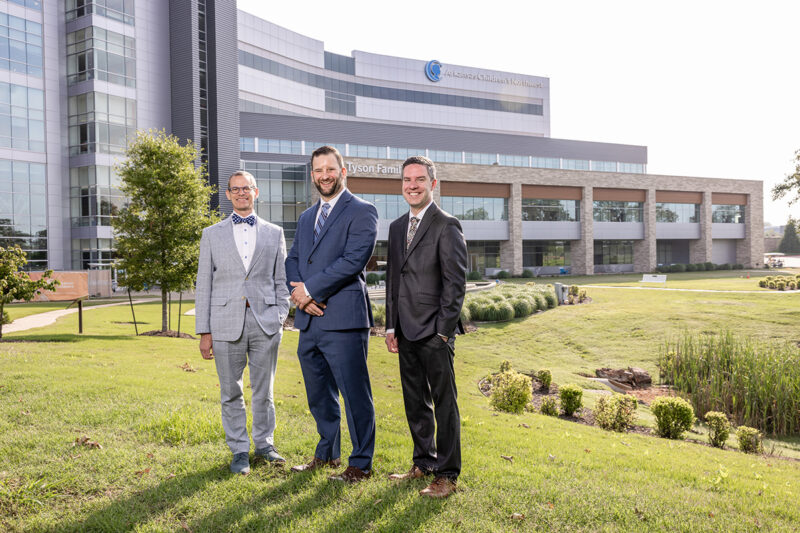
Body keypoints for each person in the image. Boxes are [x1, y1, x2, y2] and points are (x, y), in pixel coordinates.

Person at [285, 145, 378, 483]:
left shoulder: (363, 211)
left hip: (344, 318)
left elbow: (353, 261)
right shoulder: (308, 216)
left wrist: (309, 290)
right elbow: (293, 258)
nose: (324, 175)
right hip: (309, 320)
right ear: (312, 175)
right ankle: (327, 453)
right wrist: (300, 294)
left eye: (330, 169)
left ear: (343, 171)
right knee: (319, 393)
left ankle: (361, 464)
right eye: (318, 170)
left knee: (354, 395)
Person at [195, 170, 290, 475]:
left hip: (266, 323)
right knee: (230, 392)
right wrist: (204, 331)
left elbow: (281, 281)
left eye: (245, 188)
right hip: (224, 323)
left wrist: (279, 317)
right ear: (227, 195)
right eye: (234, 189)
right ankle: (239, 450)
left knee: (265, 390)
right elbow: (203, 284)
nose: (240, 193)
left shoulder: (274, 233)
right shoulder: (211, 234)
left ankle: (265, 444)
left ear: (256, 192)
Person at [385, 155, 467, 498]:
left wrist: (443, 332)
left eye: (419, 179)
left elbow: (455, 283)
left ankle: (446, 474)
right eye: (407, 180)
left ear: (433, 184)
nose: (412, 185)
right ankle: (424, 462)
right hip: (404, 332)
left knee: (444, 404)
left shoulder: (447, 225)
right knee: (414, 402)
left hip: (435, 333)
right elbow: (393, 280)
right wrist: (390, 326)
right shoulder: (395, 227)